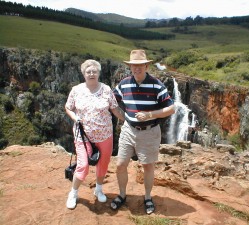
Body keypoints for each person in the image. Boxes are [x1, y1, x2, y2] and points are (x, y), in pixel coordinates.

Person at [111, 49, 175, 214]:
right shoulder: (124, 84)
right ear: (130, 67)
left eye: (140, 65)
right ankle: (123, 194)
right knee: (120, 165)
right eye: (133, 66)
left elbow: (171, 108)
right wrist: (122, 117)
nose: (136, 68)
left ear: (146, 66)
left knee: (147, 166)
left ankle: (147, 197)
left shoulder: (156, 85)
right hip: (128, 130)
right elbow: (111, 101)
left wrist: (150, 115)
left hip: (149, 132)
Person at [65, 59, 124, 209]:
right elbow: (68, 107)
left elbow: (115, 109)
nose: (91, 74)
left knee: (103, 164)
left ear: (98, 73)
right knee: (83, 165)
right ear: (83, 73)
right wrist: (74, 117)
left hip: (105, 136)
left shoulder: (106, 90)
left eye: (94, 71)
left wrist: (128, 120)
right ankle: (73, 193)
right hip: (83, 136)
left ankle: (98, 190)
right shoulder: (76, 90)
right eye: (88, 71)